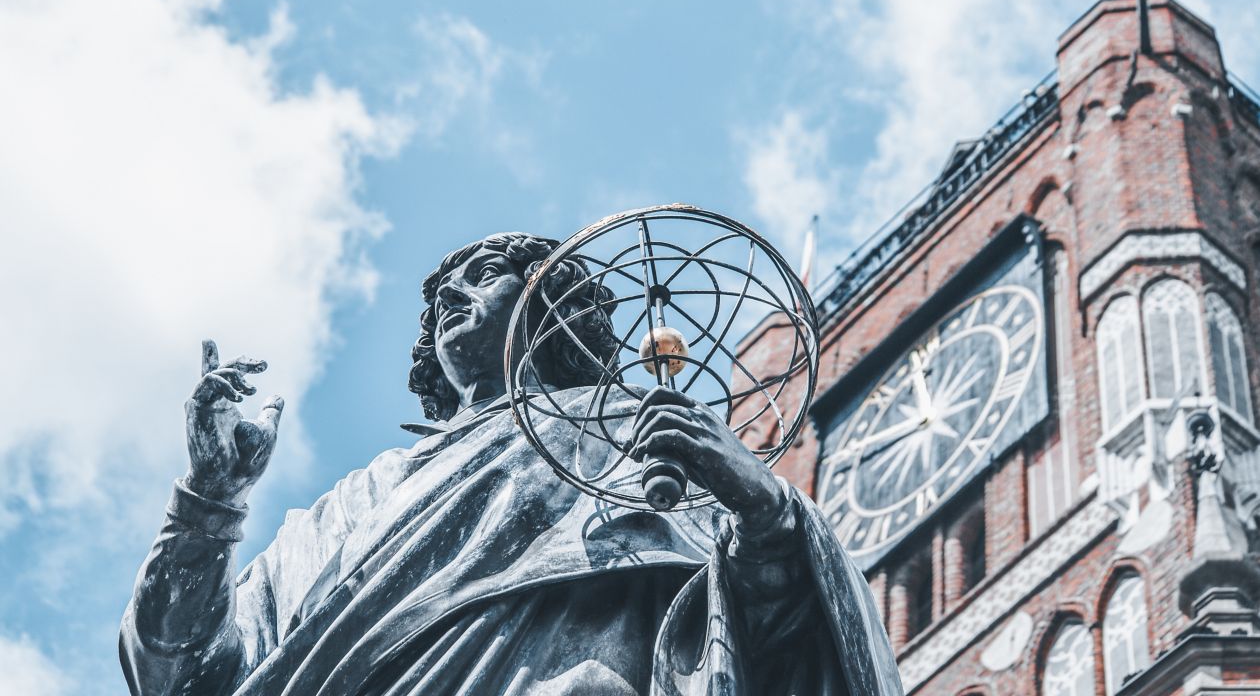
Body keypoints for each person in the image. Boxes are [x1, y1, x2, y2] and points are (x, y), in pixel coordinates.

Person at [120, 232, 902, 695]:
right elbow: (181, 673)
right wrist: (209, 501)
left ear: (552, 304)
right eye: (439, 297)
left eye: (484, 273)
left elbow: (769, 640)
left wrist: (764, 510)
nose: (453, 294)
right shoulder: (350, 505)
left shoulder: (640, 436)